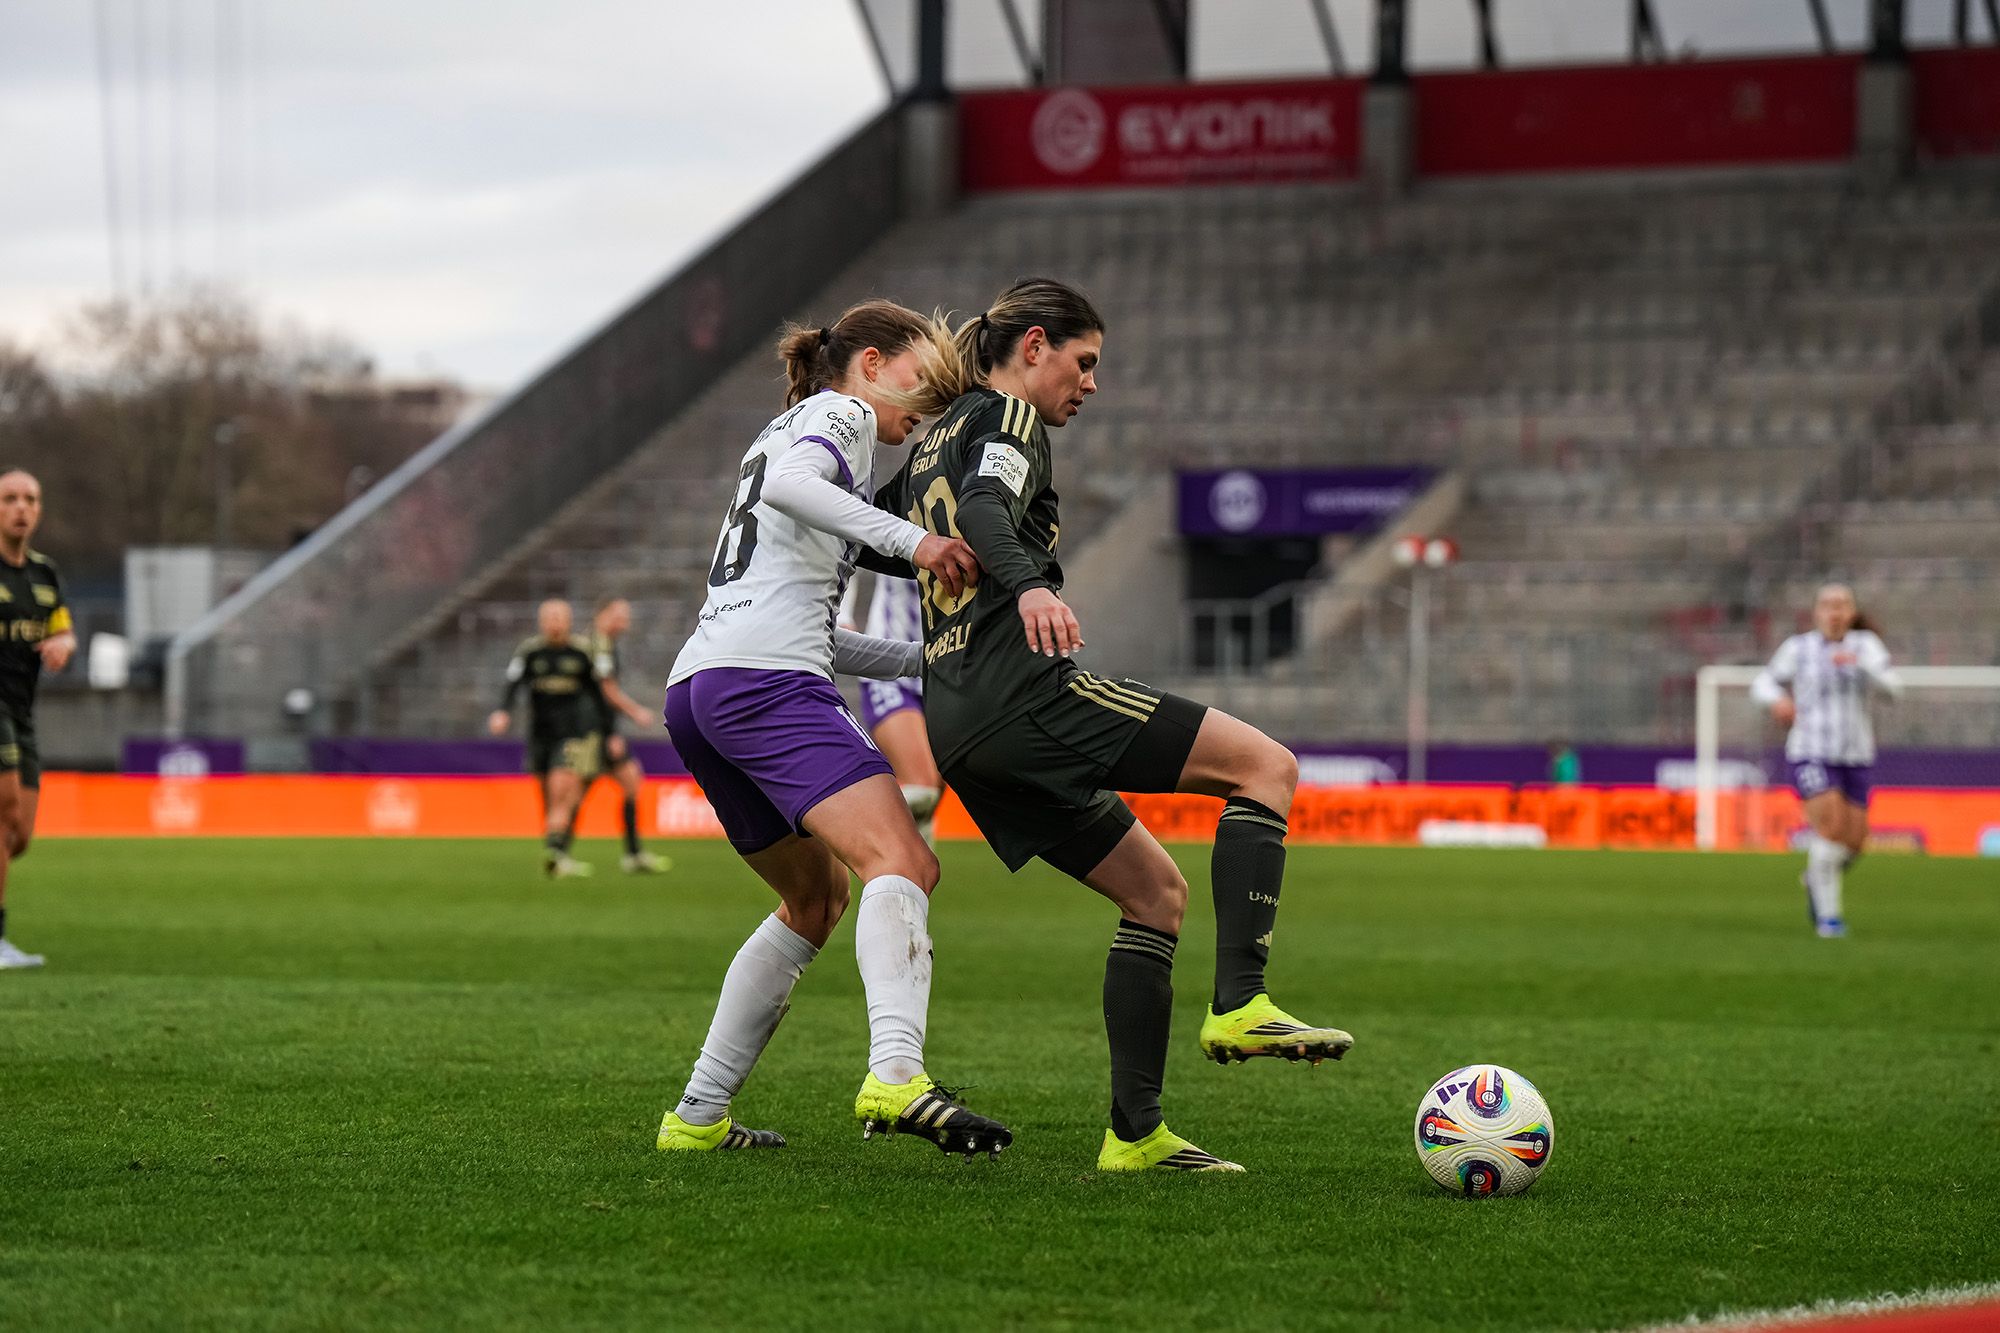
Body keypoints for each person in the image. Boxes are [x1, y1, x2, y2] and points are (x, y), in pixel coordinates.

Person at [878, 279, 1352, 1173]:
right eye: (1084, 361)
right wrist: (1031, 587)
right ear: (1033, 346)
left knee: (1155, 894)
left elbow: (876, 533)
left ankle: (1136, 1134)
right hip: (1024, 698)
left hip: (958, 726)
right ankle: (1242, 1001)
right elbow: (982, 511)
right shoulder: (1007, 417)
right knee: (1267, 768)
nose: (1091, 383)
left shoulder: (937, 436)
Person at [657, 299, 1008, 1156]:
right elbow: (793, 490)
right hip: (766, 684)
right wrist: (919, 544)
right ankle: (897, 1075)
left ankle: (697, 1116)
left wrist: (924, 660)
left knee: (814, 900)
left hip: (703, 686)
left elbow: (810, 623)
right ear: (873, 363)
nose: (923, 403)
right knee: (906, 860)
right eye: (918, 376)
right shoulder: (842, 414)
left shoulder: (784, 431)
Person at [1751, 583, 1901, 938]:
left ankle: (1816, 875)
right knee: (1830, 827)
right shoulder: (1798, 648)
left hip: (1856, 755)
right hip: (1810, 751)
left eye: (1842, 605)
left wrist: (1862, 666)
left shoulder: (1866, 646)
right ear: (1816, 612)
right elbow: (1762, 683)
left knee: (1856, 842)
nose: (1835, 612)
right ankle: (1829, 920)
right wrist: (1777, 701)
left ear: (1851, 612)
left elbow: (1895, 689)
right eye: (1828, 605)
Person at [0, 469, 75, 970]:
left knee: (19, 835)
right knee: (3, 810)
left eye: (30, 499)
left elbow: (63, 628)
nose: (21, 507)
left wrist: (63, 643)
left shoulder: (45, 575)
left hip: (22, 711)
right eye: (10, 498)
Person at [487, 599, 605, 879]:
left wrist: (606, 732)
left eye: (559, 616)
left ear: (568, 620)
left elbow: (599, 694)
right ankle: (559, 850)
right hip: (540, 734)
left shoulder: (581, 652)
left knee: (559, 789)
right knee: (548, 797)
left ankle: (555, 851)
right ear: (541, 621)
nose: (554, 622)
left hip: (572, 735)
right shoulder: (530, 651)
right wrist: (503, 711)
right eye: (549, 617)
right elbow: (513, 683)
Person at [839, 574, 941, 844]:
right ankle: (841, 821)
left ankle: (909, 868)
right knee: (922, 787)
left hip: (947, 671)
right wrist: (842, 613)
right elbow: (845, 552)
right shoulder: (904, 540)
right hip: (891, 668)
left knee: (929, 802)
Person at [580, 596, 670, 874]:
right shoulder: (599, 646)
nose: (625, 622)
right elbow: (605, 693)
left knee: (616, 782)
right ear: (603, 614)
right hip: (594, 731)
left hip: (593, 729)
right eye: (619, 615)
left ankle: (631, 853)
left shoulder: (596, 643)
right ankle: (631, 854)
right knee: (583, 788)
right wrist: (632, 716)